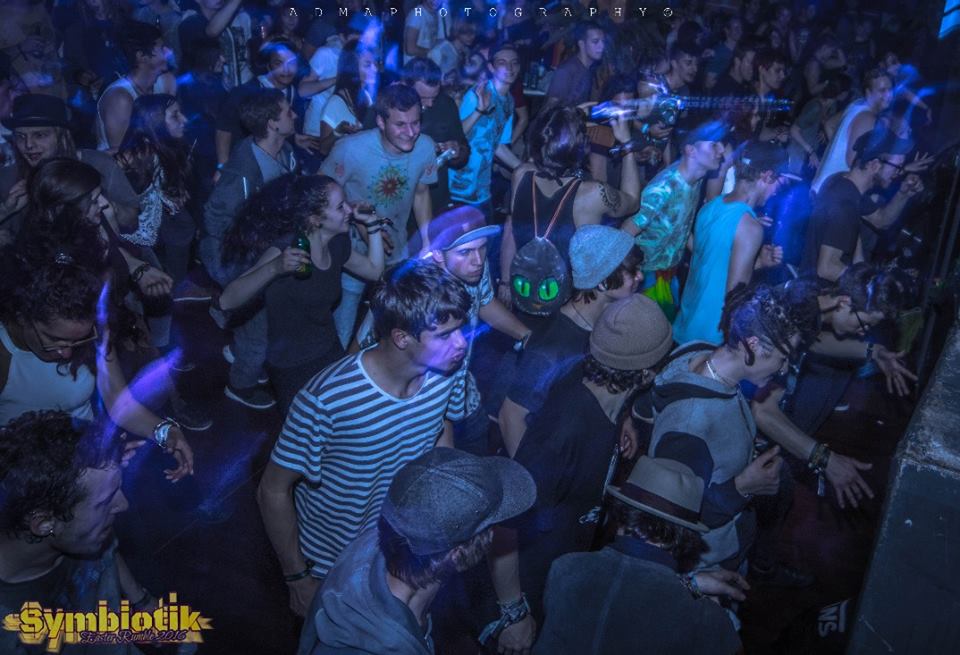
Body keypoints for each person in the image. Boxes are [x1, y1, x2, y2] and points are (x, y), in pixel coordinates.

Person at [257, 260, 470, 617]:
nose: (461, 344)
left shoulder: (448, 372)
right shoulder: (327, 399)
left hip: (397, 549)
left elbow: (440, 426)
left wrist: (441, 509)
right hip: (331, 561)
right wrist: (297, 578)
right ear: (402, 338)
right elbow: (272, 491)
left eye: (461, 329)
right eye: (445, 335)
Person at [489, 294, 675, 641]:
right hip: (531, 581)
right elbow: (502, 528)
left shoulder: (591, 380)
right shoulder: (561, 437)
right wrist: (513, 613)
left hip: (564, 566)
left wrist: (623, 419)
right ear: (647, 374)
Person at [298, 447, 535, 655]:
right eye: (489, 528)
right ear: (456, 554)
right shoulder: (359, 648)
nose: (494, 534)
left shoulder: (374, 544)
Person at [0, 229, 193, 479]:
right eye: (53, 339)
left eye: (77, 340)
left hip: (90, 460)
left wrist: (166, 431)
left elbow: (118, 401)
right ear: (22, 315)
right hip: (30, 478)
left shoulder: (93, 330)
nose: (67, 351)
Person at [534, 456, 745, 655]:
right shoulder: (703, 617)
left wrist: (689, 584)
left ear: (620, 511)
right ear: (685, 536)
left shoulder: (565, 569)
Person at [219, 174, 386, 413]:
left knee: (340, 417)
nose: (349, 210)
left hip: (328, 348)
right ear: (315, 219)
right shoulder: (287, 249)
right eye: (340, 207)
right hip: (290, 362)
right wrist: (274, 268)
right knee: (304, 427)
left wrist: (372, 225)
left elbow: (374, 270)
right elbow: (227, 300)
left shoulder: (337, 243)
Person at [0, 411, 156, 655]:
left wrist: (141, 601)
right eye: (105, 502)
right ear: (44, 524)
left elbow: (107, 553)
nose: (123, 505)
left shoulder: (82, 533)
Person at [498, 225, 644, 457]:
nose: (640, 277)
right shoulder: (553, 347)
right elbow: (510, 418)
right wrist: (531, 475)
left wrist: (621, 418)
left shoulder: (605, 323)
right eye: (633, 271)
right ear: (603, 282)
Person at [319, 82, 438, 348]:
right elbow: (319, 194)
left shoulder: (425, 147)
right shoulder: (350, 149)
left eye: (416, 123)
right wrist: (357, 218)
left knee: (389, 325)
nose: (411, 132)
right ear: (381, 122)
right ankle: (339, 369)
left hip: (396, 250)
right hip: (353, 251)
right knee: (343, 325)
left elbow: (421, 194)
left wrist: (428, 240)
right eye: (401, 125)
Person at [201, 88, 298, 410]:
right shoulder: (242, 172)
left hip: (261, 252)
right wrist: (237, 268)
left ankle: (236, 339)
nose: (295, 115)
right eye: (288, 112)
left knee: (255, 323)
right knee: (258, 330)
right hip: (241, 259)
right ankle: (240, 385)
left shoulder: (284, 152)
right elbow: (214, 220)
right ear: (272, 124)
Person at [501, 107, 640, 303]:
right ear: (582, 147)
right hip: (568, 298)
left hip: (524, 286)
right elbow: (633, 201)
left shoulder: (521, 174)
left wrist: (505, 282)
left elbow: (510, 229)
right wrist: (627, 144)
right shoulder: (594, 194)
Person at [423, 206, 530, 455]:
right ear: (438, 254)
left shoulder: (472, 268)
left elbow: (484, 302)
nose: (478, 260)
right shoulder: (418, 294)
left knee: (479, 448)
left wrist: (526, 335)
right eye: (465, 252)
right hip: (430, 408)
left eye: (482, 248)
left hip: (465, 394)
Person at [674, 140, 796, 345]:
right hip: (712, 336)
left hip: (686, 325)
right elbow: (735, 299)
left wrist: (758, 263)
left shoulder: (710, 207)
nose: (776, 192)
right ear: (767, 176)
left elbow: (711, 263)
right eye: (779, 183)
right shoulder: (750, 226)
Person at [622, 120, 726, 321]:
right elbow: (627, 230)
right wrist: (627, 275)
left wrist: (702, 256)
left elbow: (679, 225)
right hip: (646, 277)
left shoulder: (695, 181)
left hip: (668, 273)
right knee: (648, 330)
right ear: (691, 150)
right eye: (714, 144)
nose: (721, 150)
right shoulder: (664, 189)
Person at [0, 94, 139, 241]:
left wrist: (96, 201)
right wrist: (5, 211)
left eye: (39, 135)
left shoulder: (98, 163)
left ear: (62, 136)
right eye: (20, 136)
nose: (28, 145)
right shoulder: (7, 178)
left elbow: (131, 220)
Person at [802, 127, 922, 283]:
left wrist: (903, 194)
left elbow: (881, 220)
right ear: (874, 165)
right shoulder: (845, 205)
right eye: (897, 167)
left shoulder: (843, 182)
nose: (898, 173)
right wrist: (869, 286)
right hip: (819, 292)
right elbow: (827, 268)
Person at [401, 57, 470, 213]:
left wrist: (457, 151)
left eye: (434, 96)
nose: (430, 103)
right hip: (399, 201)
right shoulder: (387, 107)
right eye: (423, 98)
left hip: (436, 199)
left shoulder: (446, 104)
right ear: (405, 85)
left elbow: (464, 149)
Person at [95, 21, 169, 153]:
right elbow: (122, 156)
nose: (168, 51)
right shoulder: (119, 98)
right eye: (162, 48)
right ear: (141, 56)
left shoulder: (165, 83)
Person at [315, 41, 379, 156]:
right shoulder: (335, 104)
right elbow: (323, 150)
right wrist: (339, 132)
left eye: (375, 63)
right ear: (352, 68)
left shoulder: (366, 96)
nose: (375, 69)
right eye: (368, 65)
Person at [178, 0, 253, 90]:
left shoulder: (234, 17)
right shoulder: (189, 23)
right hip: (200, 90)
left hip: (236, 87)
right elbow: (211, 32)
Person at [543, 21, 606, 112]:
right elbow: (549, 110)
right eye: (595, 41)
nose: (602, 46)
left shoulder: (590, 70)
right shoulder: (567, 71)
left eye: (603, 41)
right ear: (581, 44)